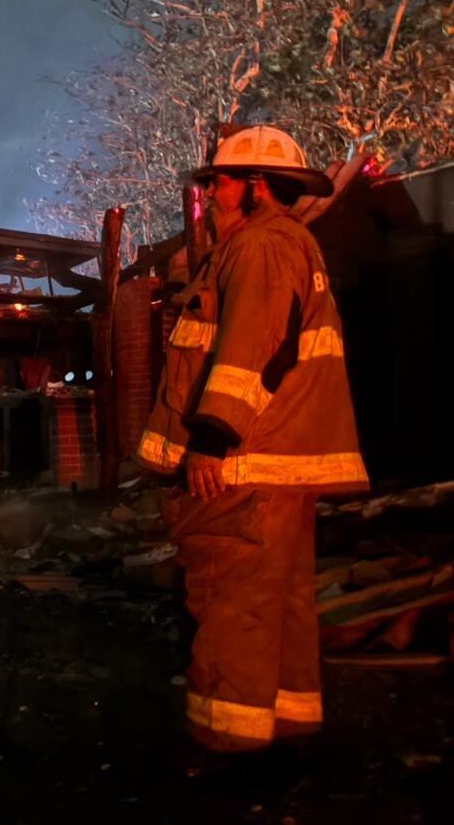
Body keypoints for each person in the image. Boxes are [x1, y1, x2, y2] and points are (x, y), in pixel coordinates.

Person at [137, 125, 369, 753]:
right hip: (278, 459)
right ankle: (286, 730)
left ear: (256, 185)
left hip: (245, 459)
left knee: (231, 597)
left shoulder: (261, 248)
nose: (210, 194)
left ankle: (230, 745)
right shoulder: (286, 243)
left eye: (220, 181)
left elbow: (251, 353)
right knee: (280, 600)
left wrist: (211, 440)